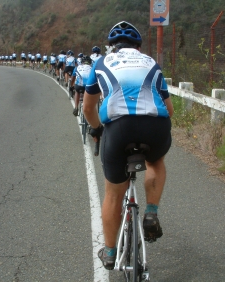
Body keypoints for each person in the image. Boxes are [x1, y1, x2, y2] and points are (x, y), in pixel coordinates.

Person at [83, 21, 174, 270]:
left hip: (119, 129)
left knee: (113, 193)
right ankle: (151, 213)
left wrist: (97, 129)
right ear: (138, 47)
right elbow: (170, 109)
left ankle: (110, 253)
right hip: (156, 127)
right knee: (155, 161)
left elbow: (88, 108)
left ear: (111, 46)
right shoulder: (151, 63)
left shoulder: (101, 63)